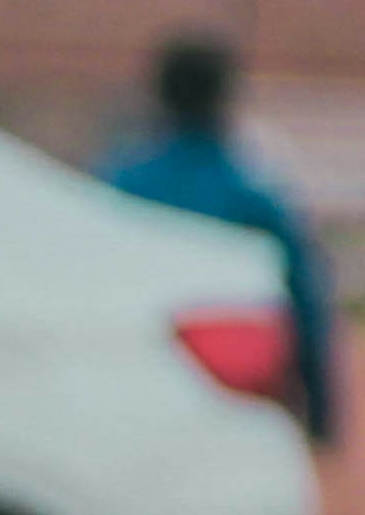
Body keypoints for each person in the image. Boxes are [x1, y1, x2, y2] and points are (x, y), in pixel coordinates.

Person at [104, 33, 339, 447]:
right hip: (230, 384)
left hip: (132, 376)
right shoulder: (255, 194)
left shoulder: (119, 184)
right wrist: (322, 409)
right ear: (225, 98)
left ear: (159, 95)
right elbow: (305, 303)